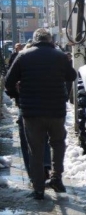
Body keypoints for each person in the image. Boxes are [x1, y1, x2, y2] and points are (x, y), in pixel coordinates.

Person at [5, 28, 78, 200]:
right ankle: (56, 179)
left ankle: (38, 189)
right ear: (50, 40)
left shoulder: (23, 56)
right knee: (58, 144)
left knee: (35, 150)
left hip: (31, 113)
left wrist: (18, 96)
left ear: (35, 40)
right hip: (56, 110)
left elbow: (9, 82)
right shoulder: (59, 56)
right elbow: (72, 76)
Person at [5, 42, 53, 182]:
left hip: (27, 108)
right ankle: (45, 165)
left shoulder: (21, 60)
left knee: (27, 142)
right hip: (47, 106)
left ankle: (33, 173)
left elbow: (9, 82)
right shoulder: (49, 62)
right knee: (45, 137)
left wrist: (16, 96)